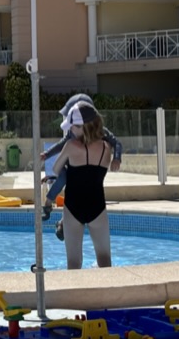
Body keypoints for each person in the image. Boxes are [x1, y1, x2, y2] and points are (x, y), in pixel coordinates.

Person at [40, 93, 121, 220]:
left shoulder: (101, 131)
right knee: (63, 179)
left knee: (82, 188)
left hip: (84, 167)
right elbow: (62, 144)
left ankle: (63, 220)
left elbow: (116, 143)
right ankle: (48, 204)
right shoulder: (72, 131)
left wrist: (117, 158)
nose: (71, 127)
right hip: (69, 163)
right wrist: (47, 153)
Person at [51, 102, 113, 269]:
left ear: (83, 126)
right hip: (97, 207)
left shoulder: (70, 146)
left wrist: (69, 173)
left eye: (73, 127)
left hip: (72, 208)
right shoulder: (106, 148)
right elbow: (101, 174)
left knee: (74, 262)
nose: (70, 130)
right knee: (105, 259)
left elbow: (56, 168)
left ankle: (74, 294)